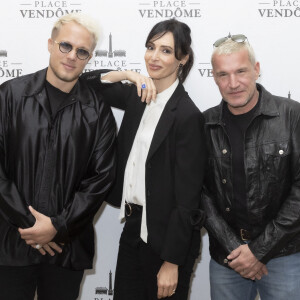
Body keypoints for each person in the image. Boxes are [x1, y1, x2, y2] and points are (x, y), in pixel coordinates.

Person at [82, 19, 206, 300]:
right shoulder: (137, 96)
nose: (154, 56)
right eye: (151, 47)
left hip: (167, 239)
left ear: (182, 59)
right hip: (134, 229)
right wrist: (127, 74)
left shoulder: (188, 116)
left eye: (165, 50)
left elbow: (188, 200)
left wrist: (172, 262)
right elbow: (85, 82)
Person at [0, 13, 116, 300]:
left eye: (82, 51)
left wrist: (57, 228)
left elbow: (101, 179)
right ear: (50, 44)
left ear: (89, 58)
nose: (72, 56)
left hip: (67, 248)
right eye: (65, 45)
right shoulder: (10, 95)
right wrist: (32, 226)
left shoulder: (98, 111)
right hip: (11, 243)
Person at [201, 33, 300, 300]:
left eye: (241, 71)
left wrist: (258, 251)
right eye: (223, 75)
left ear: (256, 70)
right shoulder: (203, 125)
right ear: (214, 77)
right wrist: (236, 250)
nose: (233, 83)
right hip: (228, 258)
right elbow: (200, 193)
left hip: (284, 255)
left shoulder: (292, 115)